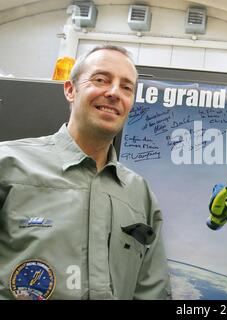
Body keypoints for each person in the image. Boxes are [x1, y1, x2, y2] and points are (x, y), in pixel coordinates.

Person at [0, 45, 172, 300]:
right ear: (70, 89)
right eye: (101, 79)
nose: (114, 92)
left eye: (127, 87)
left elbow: (152, 292)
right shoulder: (8, 166)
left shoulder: (140, 194)